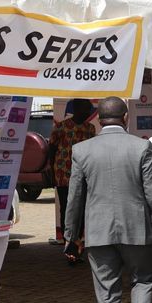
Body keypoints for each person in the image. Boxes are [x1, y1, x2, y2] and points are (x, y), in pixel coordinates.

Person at [64, 97, 152, 303]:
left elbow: (74, 198)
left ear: (99, 120)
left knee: (106, 291)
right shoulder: (140, 146)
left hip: (98, 232)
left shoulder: (81, 150)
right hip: (137, 229)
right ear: (125, 118)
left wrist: (70, 236)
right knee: (144, 280)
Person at [48, 98, 95, 244]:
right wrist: (51, 172)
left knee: (82, 208)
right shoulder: (61, 127)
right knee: (66, 207)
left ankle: (78, 238)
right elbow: (51, 149)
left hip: (84, 175)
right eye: (86, 109)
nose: (88, 113)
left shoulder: (90, 128)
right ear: (76, 109)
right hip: (63, 174)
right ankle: (67, 239)